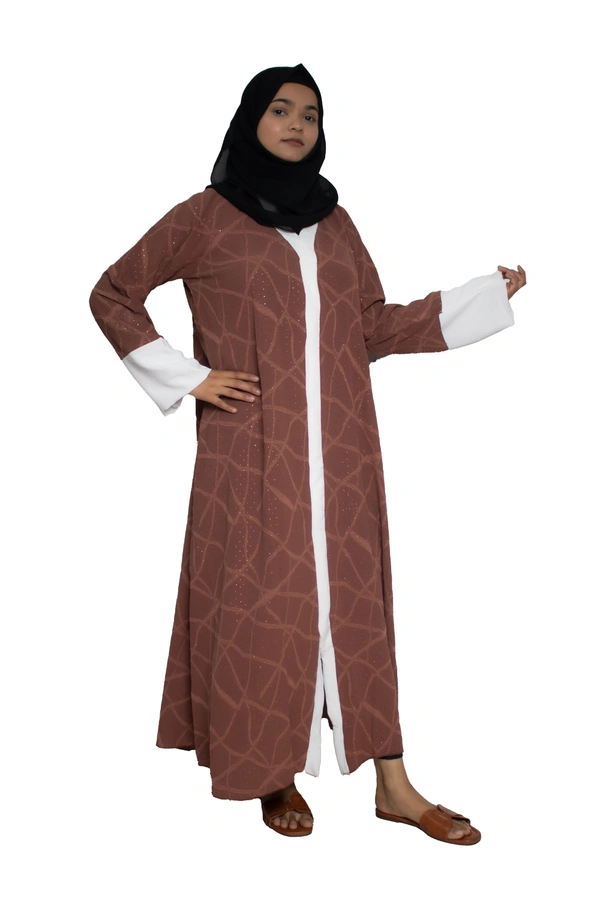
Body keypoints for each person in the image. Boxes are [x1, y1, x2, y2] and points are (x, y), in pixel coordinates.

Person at [89, 63, 526, 843]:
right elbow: (113, 292)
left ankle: (394, 785)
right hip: (250, 451)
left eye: (311, 115)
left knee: (357, 605)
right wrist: (188, 377)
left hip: (344, 449)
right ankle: (271, 772)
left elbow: (371, 325)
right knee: (264, 606)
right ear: (250, 120)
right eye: (281, 110)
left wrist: (478, 300)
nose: (297, 125)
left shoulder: (335, 222)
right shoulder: (205, 217)